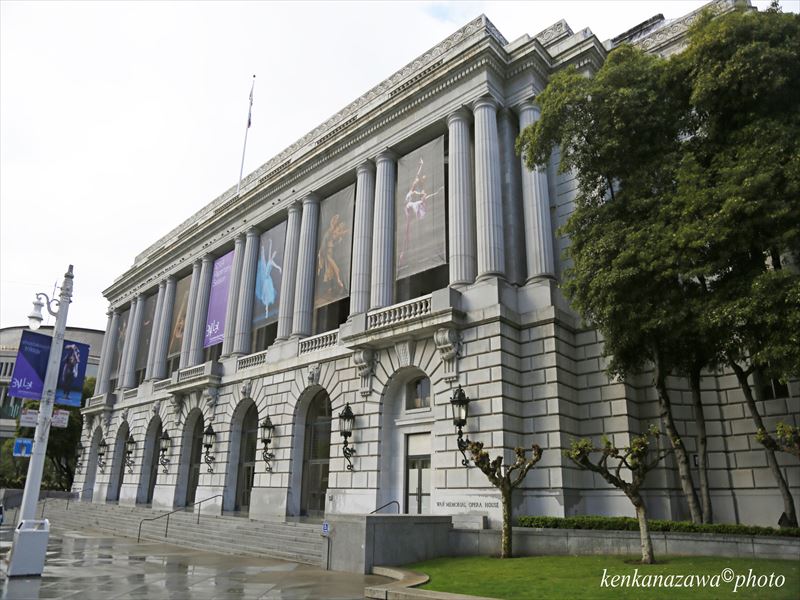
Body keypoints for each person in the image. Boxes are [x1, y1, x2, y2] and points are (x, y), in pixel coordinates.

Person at [317, 213, 348, 294]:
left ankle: (331, 287)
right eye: (339, 224)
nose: (339, 226)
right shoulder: (331, 231)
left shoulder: (335, 232)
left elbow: (337, 237)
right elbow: (327, 241)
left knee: (330, 271)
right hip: (328, 254)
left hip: (330, 254)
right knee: (334, 269)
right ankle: (339, 283)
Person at [256, 237, 282, 320]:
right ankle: (266, 312)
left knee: (267, 296)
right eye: (273, 254)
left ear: (274, 256)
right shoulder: (269, 259)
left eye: (274, 254)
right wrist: (270, 243)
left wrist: (279, 268)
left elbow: (276, 266)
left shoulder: (271, 261)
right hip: (265, 278)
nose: (273, 254)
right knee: (265, 296)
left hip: (267, 280)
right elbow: (270, 250)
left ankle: (267, 312)